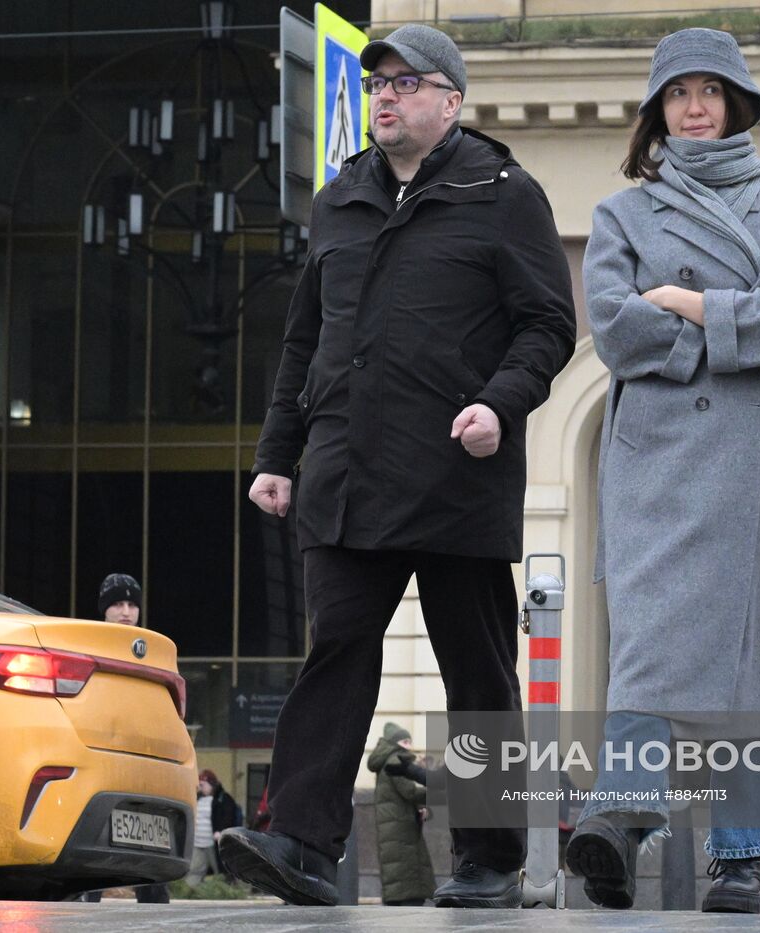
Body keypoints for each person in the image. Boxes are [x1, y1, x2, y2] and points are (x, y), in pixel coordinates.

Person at [216, 22, 576, 910]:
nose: (386, 95)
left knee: (477, 670)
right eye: (378, 83)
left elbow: (548, 325)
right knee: (336, 648)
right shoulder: (340, 200)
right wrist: (277, 455)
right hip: (346, 470)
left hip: (459, 471)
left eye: (408, 83)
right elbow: (305, 337)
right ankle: (300, 839)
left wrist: (500, 402)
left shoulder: (503, 192)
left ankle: (491, 858)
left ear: (451, 102)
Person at [564, 27, 760, 914]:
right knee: (646, 651)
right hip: (655, 468)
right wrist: (733, 329)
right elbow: (613, 325)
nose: (694, 108)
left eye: (710, 91)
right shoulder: (622, 215)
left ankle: (739, 862)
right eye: (678, 93)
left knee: (747, 669)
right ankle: (621, 815)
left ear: (735, 104)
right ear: (658, 112)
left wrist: (686, 304)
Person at [83, 572, 171, 905]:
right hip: (104, 752)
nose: (125, 611)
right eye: (118, 604)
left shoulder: (152, 649)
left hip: (146, 754)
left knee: (152, 834)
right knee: (94, 834)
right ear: (104, 609)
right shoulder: (90, 645)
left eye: (132, 604)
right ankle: (87, 903)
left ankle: (154, 905)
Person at [367, 723, 436, 906]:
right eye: (405, 741)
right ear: (394, 743)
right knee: (407, 865)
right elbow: (409, 792)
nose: (409, 746)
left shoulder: (387, 760)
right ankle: (405, 899)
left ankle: (397, 898)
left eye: (409, 741)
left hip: (394, 823)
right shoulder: (396, 760)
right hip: (401, 826)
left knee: (397, 864)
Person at [188, 769, 241, 888]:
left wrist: (221, 831)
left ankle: (226, 888)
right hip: (198, 841)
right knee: (195, 869)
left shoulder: (224, 798)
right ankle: (192, 889)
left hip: (213, 842)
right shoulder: (198, 799)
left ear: (211, 784)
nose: (201, 788)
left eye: (203, 785)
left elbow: (228, 816)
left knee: (220, 869)